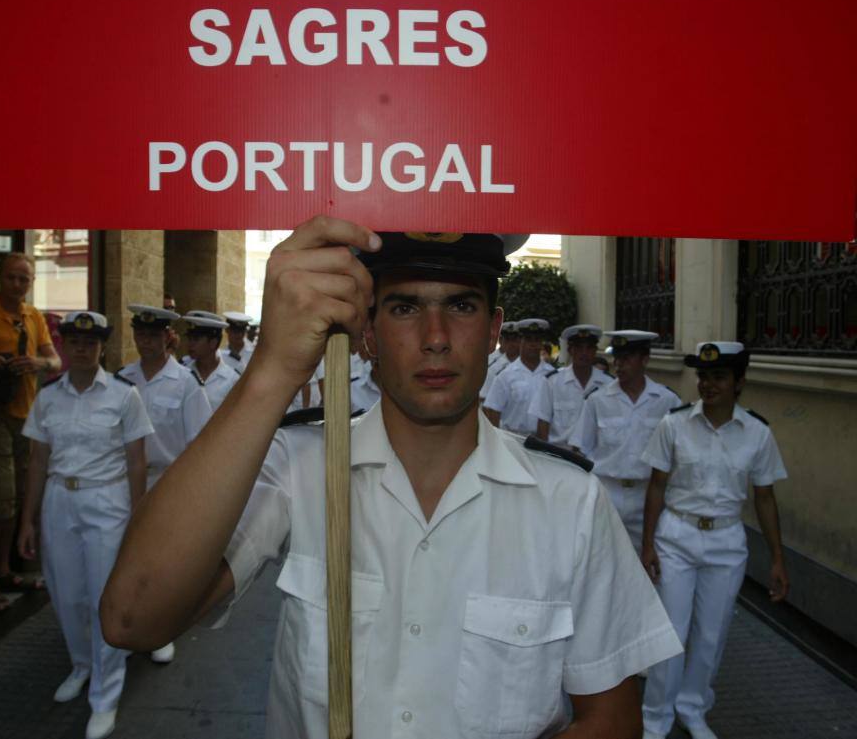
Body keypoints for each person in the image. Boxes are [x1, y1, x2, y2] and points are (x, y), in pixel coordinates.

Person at [101, 221, 681, 739]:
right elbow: (133, 618)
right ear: (367, 335)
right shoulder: (304, 465)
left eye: (461, 306)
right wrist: (273, 369)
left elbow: (612, 717)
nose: (435, 335)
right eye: (403, 308)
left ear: (493, 328)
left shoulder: (568, 500)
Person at [640, 342, 788, 739]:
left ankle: (692, 707)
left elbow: (764, 497)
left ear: (739, 383)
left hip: (726, 540)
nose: (707, 385)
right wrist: (648, 544)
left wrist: (777, 558)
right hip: (677, 535)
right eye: (703, 376)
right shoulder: (674, 424)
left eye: (718, 377)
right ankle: (655, 716)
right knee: (671, 628)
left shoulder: (757, 432)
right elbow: (656, 487)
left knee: (711, 632)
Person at [17, 311, 153, 739]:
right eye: (73, 341)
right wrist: (28, 520)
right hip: (60, 499)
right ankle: (82, 665)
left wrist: (138, 519)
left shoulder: (123, 395)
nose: (81, 348)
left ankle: (105, 694)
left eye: (90, 342)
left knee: (102, 597)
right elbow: (38, 461)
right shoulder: (48, 398)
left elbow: (136, 461)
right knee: (67, 594)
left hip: (106, 499)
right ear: (64, 346)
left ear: (102, 347)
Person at [117, 304, 214, 663]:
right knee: (127, 559)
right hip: (126, 481)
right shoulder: (122, 379)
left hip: (167, 480)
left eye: (152, 335)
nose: (145, 342)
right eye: (139, 335)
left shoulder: (185, 383)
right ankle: (125, 625)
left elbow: (200, 440)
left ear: (166, 338)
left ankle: (159, 630)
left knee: (160, 564)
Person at [0, 252, 60, 613]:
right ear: (0, 278)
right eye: (12, 278)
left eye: (25, 279)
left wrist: (36, 363)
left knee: (18, 495)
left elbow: (55, 362)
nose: (18, 285)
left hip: (25, 413)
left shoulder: (32, 316)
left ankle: (5, 570)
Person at [568, 330, 681, 554]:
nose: (619, 365)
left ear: (645, 360)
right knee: (602, 557)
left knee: (648, 562)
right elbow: (580, 449)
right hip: (607, 490)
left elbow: (677, 454)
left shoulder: (667, 401)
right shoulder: (597, 400)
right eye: (616, 358)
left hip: (648, 495)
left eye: (627, 358)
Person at [530, 324, 612, 449]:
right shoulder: (552, 382)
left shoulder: (608, 383)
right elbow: (542, 425)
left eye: (589, 348)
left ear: (595, 351)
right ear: (570, 350)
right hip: (559, 456)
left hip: (593, 462)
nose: (584, 353)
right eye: (579, 348)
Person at [482, 318, 555, 434]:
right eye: (528, 340)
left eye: (537, 340)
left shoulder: (552, 375)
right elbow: (493, 412)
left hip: (545, 443)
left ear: (542, 343)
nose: (533, 344)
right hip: (513, 439)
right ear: (521, 342)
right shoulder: (505, 375)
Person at [181, 310, 240, 411]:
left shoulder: (232, 380)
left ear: (213, 343)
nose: (190, 344)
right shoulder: (182, 373)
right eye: (189, 338)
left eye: (196, 339)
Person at [479, 320, 519, 401]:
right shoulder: (489, 362)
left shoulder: (525, 362)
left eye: (514, 339)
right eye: (507, 339)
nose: (511, 343)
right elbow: (483, 396)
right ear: (501, 340)